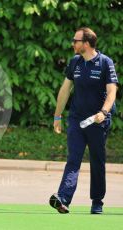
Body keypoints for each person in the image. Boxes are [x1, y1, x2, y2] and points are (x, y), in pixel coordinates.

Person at [50, 27, 118, 214]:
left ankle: (97, 202)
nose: (73, 43)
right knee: (73, 159)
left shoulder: (105, 63)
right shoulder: (75, 62)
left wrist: (103, 112)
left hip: (98, 122)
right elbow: (65, 90)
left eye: (76, 40)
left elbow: (112, 91)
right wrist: (57, 116)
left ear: (86, 44)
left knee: (97, 161)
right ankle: (63, 199)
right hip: (76, 120)